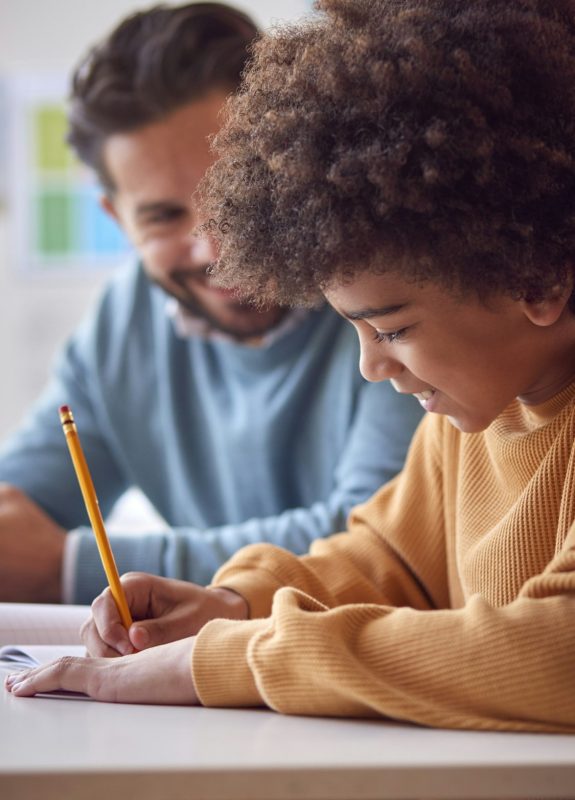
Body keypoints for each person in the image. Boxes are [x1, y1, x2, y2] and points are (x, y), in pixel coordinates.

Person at [8, 0, 574, 734]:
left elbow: (555, 650)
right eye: (357, 330)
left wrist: (227, 661)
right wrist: (235, 603)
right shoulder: (475, 416)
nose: (371, 365)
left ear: (536, 280)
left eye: (391, 328)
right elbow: (388, 558)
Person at [0, 2, 423, 605]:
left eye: (234, 193)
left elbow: (386, 544)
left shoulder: (389, 288)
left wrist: (77, 568)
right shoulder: (122, 324)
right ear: (118, 220)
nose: (216, 248)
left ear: (293, 155)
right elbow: (16, 511)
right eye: (164, 216)